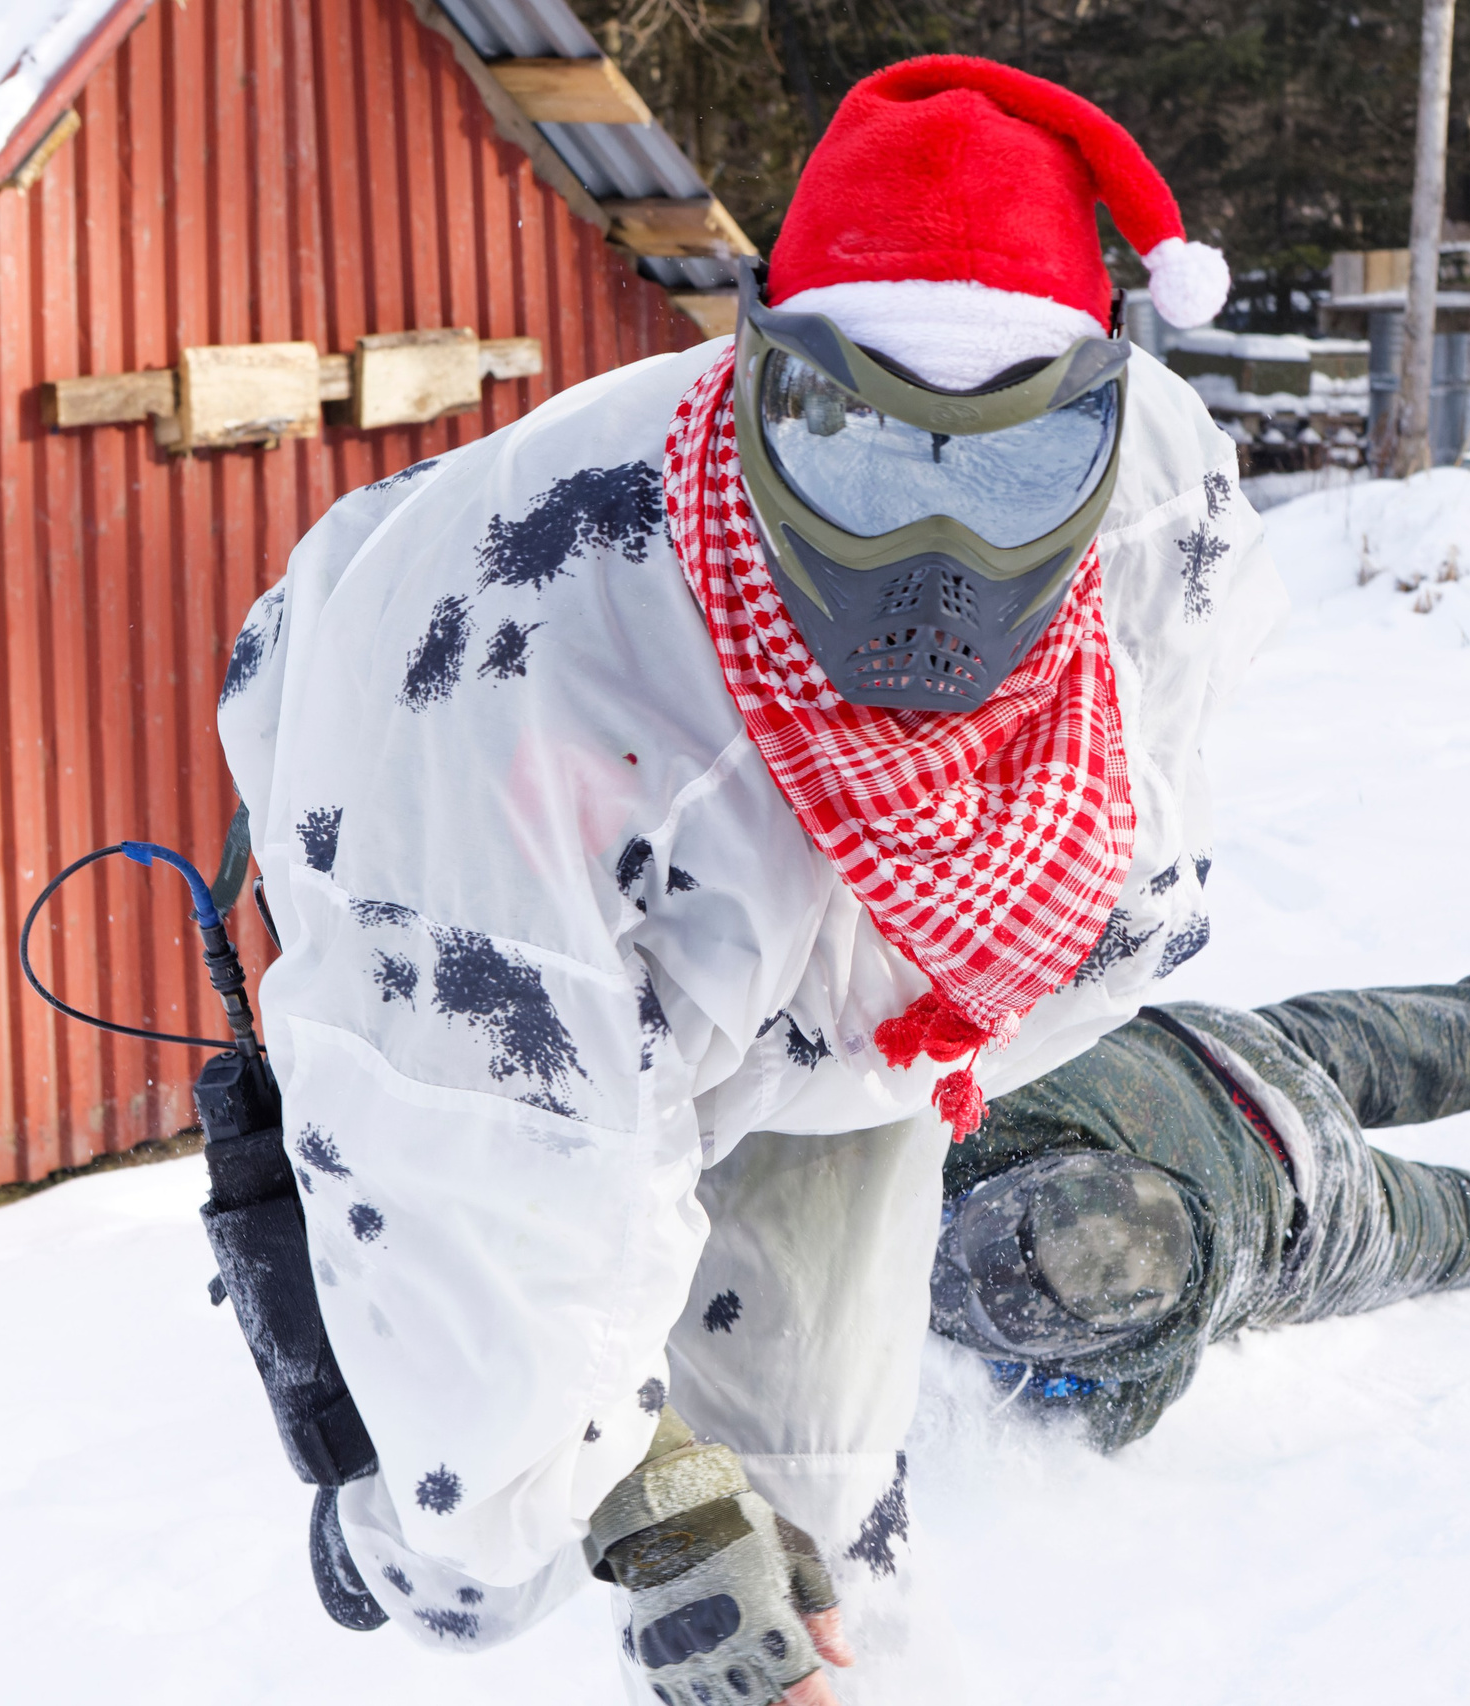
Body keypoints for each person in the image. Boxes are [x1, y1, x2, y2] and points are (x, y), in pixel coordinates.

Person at [216, 55, 1268, 1706]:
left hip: (850, 1004)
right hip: (505, 913)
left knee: (821, 1509)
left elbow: (1143, 790)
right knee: (512, 1448)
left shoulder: (1158, 500)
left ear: (1100, 412)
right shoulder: (517, 649)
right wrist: (620, 1494)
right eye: (860, 446)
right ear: (766, 379)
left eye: (1004, 468)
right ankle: (407, 1538)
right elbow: (484, 1150)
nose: (938, 555)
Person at [934, 980, 1470, 1449]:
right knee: (1393, 1038)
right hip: (1217, 1047)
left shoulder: (1167, 1318)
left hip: (1320, 1208)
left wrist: (1047, 1392)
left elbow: (1103, 1415)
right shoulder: (994, 1116)